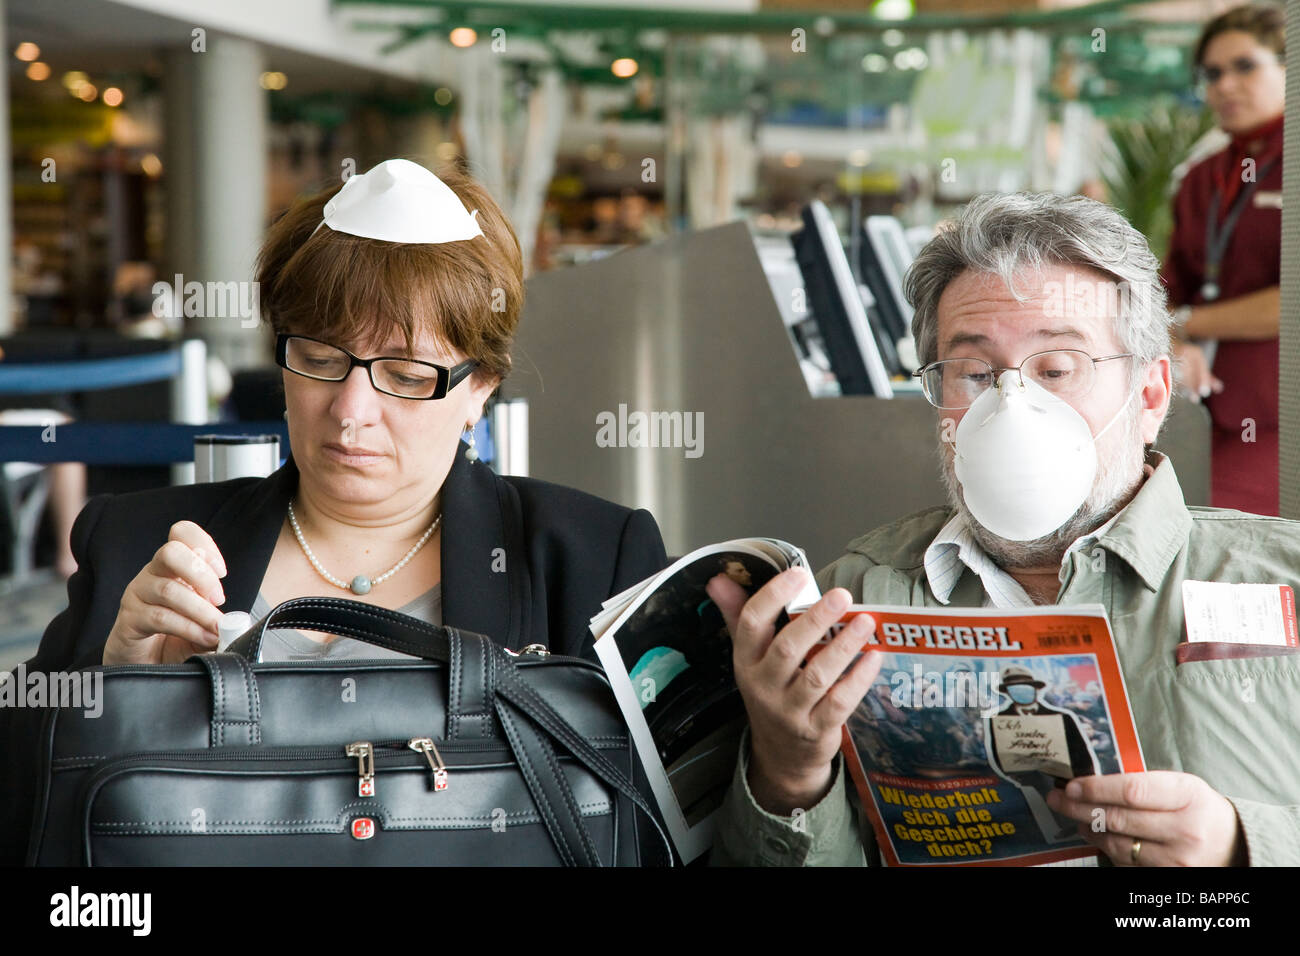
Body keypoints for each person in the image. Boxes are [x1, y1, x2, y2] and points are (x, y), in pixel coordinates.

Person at [0, 159, 669, 863]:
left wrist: (786, 769)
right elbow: (22, 815)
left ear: (482, 390)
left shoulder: (591, 560)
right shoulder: (139, 546)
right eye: (319, 359)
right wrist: (118, 688)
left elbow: (675, 836)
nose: (350, 414)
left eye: (407, 376)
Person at [709, 191, 1300, 867]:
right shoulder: (854, 600)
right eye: (976, 373)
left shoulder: (1283, 579)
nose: (1013, 402)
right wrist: (788, 771)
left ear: (1150, 394)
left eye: (1055, 368)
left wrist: (1242, 845)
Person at [1164, 3, 1285, 514]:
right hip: (1196, 414)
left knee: (1211, 526)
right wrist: (1169, 337)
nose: (1225, 85)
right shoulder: (1203, 177)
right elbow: (1165, 291)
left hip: (1278, 419)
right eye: (1212, 73)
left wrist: (1191, 322)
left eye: (1245, 66)